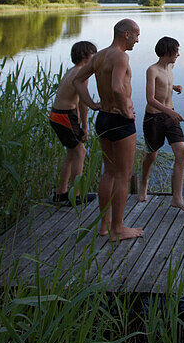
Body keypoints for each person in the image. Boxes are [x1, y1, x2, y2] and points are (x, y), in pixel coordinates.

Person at [86, 18, 144, 240]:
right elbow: (117, 88)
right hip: (120, 121)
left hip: (103, 118)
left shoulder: (99, 56)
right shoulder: (121, 56)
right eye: (137, 35)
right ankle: (118, 229)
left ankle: (104, 226)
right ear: (126, 34)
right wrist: (126, 111)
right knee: (123, 174)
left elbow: (78, 81)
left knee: (109, 171)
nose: (138, 40)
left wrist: (93, 105)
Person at [137, 36, 184, 213]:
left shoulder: (171, 66)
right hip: (154, 118)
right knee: (151, 155)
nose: (178, 54)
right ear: (167, 51)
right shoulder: (151, 70)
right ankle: (143, 183)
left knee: (182, 153)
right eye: (176, 51)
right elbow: (150, 99)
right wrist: (170, 112)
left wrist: (174, 87)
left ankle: (177, 198)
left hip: (170, 116)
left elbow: (165, 85)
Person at [47, 40, 100, 205]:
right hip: (64, 116)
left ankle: (60, 192)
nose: (95, 56)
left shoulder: (71, 70)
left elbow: (75, 100)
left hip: (57, 114)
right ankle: (76, 195)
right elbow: (84, 102)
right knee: (80, 152)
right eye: (93, 53)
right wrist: (85, 127)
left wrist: (77, 122)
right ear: (85, 55)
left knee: (71, 153)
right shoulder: (82, 74)